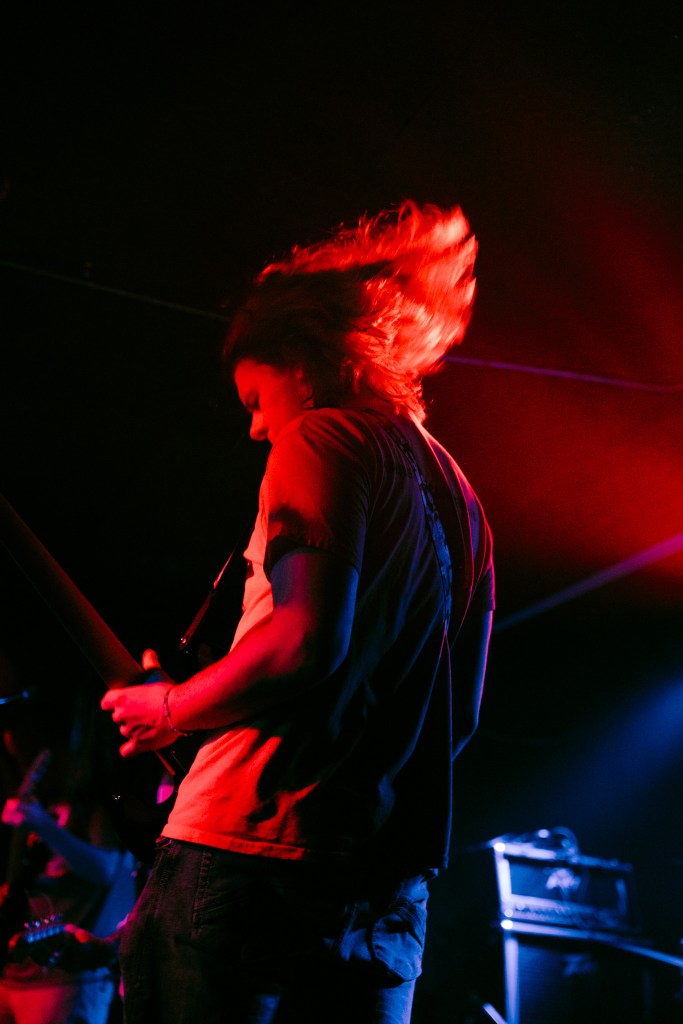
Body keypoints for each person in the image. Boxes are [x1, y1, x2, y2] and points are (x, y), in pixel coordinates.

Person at [99, 199, 495, 1024]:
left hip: (249, 860)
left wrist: (172, 707)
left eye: (254, 396)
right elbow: (458, 717)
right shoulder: (460, 495)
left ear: (304, 359)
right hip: (384, 888)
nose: (254, 427)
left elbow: (304, 640)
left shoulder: (320, 437)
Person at [0, 652, 138, 1024]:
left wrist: (43, 826)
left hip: (65, 982)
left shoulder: (93, 799)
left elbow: (107, 869)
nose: (9, 742)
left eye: (16, 731)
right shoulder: (41, 797)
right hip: (16, 975)